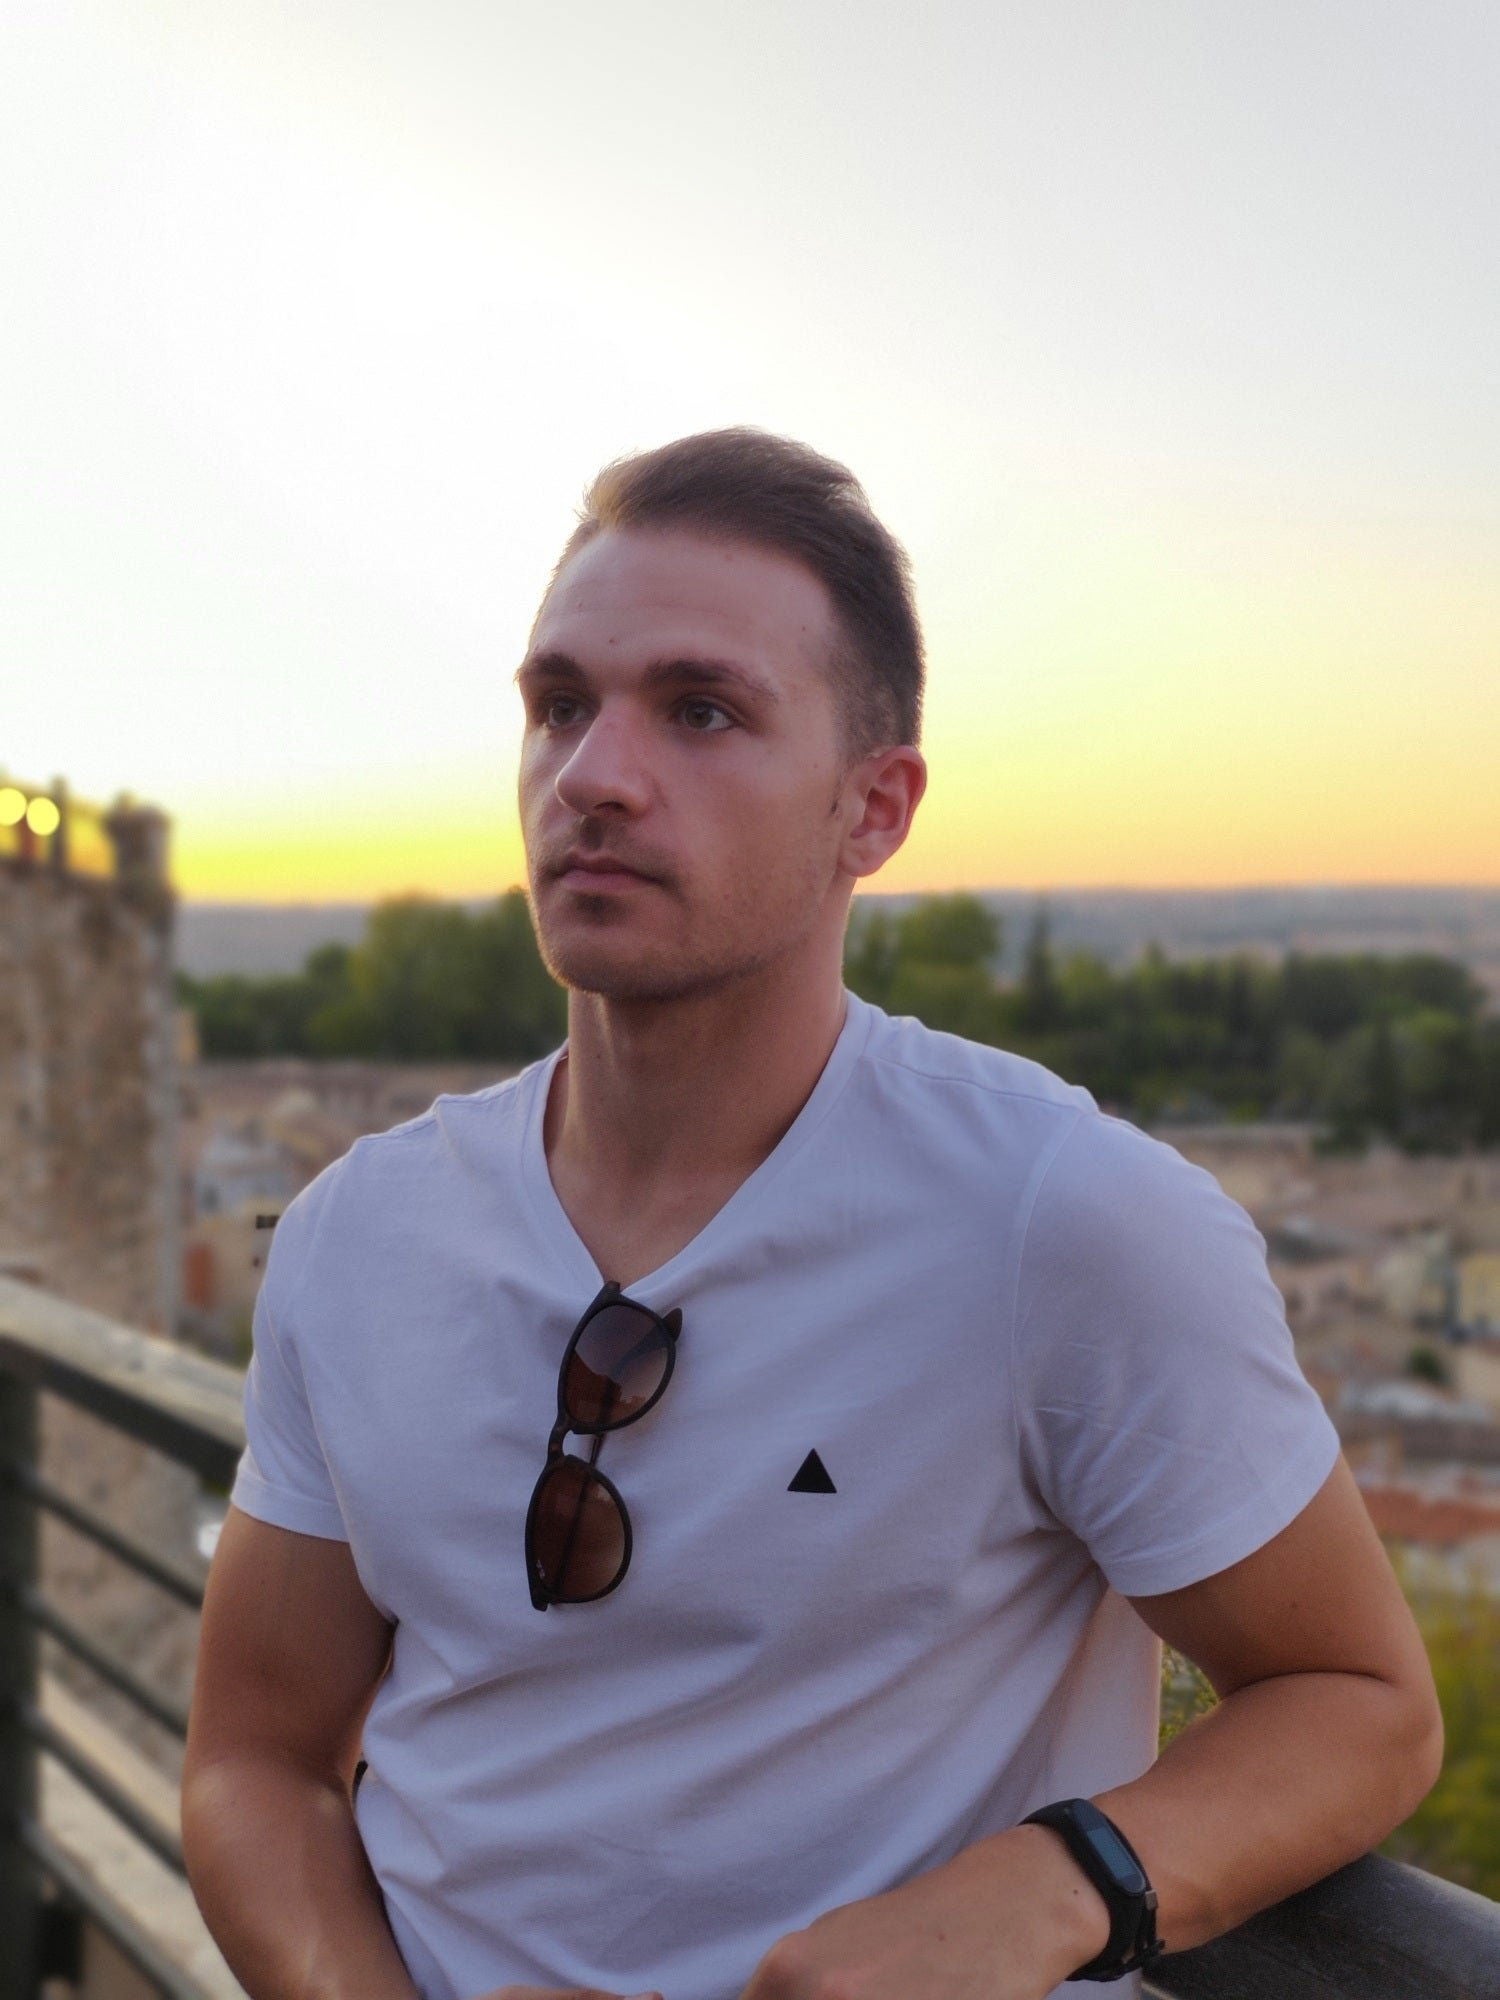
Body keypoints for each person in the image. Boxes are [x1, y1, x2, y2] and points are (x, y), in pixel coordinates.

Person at [182, 428, 1442, 2000]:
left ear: (873, 810)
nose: (594, 776)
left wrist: (1057, 1886)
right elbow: (257, 1760)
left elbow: (1360, 1700)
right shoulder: (358, 1236)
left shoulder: (1066, 1224)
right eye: (560, 705)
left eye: (700, 711)